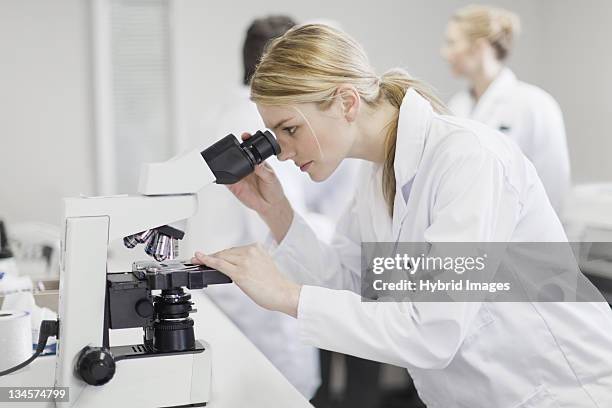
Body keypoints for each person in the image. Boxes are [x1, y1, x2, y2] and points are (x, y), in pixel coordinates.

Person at [191, 24, 612, 407]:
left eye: (290, 129)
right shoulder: (376, 178)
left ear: (346, 102)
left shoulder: (468, 160)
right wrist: (275, 210)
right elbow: (350, 283)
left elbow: (433, 330)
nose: (280, 151)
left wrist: (286, 295)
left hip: (562, 392)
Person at [442, 5, 571, 216]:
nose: (445, 53)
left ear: (479, 47)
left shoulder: (535, 105)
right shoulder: (456, 106)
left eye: (452, 43)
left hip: (522, 241)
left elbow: (553, 188)